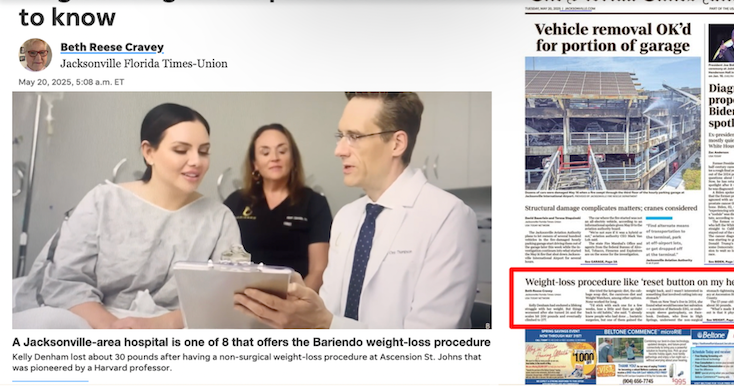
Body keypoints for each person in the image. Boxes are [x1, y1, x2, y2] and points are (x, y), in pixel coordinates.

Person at [233, 92, 479, 329]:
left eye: (355, 136)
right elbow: (328, 311)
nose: (339, 150)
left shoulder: (448, 218)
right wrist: (304, 307)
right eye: (341, 135)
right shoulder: (347, 217)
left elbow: (428, 346)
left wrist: (324, 324)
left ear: (397, 143)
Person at [12, 103, 241, 329]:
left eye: (204, 151)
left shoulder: (219, 219)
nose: (196, 161)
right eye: (181, 150)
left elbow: (228, 295)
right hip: (93, 319)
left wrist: (160, 325)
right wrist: (115, 329)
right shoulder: (104, 201)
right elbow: (64, 281)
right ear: (149, 152)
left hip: (179, 326)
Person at [224, 124, 332, 292]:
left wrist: (295, 304)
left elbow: (319, 270)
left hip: (294, 301)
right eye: (265, 152)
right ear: (255, 164)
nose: (274, 157)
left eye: (282, 151)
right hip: (243, 299)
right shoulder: (236, 202)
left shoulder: (314, 203)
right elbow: (222, 264)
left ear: (293, 159)